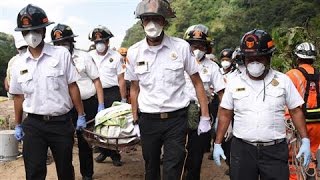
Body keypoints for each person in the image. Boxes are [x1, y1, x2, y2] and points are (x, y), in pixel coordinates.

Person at [125, 1, 211, 179]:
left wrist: (205, 116)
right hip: (148, 120)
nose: (151, 24)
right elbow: (134, 88)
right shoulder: (134, 52)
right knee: (151, 168)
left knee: (174, 167)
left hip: (176, 119)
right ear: (141, 22)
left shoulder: (180, 47)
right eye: (147, 19)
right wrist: (135, 120)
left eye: (156, 19)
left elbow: (197, 82)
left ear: (164, 21)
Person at [213, 29, 312, 180]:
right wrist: (218, 143)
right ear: (244, 59)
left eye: (259, 58)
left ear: (269, 57)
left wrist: (305, 140)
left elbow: (296, 110)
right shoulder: (234, 82)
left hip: (275, 150)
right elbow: (226, 113)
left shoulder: (283, 81)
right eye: (250, 58)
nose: (254, 63)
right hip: (242, 150)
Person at [10, 4, 86, 180]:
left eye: (35, 30)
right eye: (26, 32)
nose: (31, 35)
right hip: (33, 125)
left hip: (61, 123)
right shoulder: (18, 64)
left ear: (44, 30)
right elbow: (18, 96)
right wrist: (18, 124)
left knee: (65, 169)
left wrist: (81, 114)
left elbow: (72, 86)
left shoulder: (61, 55)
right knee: (34, 171)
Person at [51, 23, 105, 180]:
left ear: (71, 42)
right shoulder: (53, 60)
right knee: (65, 144)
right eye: (58, 44)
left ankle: (87, 175)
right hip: (65, 107)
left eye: (64, 42)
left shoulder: (83, 57)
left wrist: (100, 105)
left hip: (87, 104)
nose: (62, 46)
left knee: (85, 143)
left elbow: (96, 80)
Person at [182, 24, 225, 180]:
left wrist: (220, 119)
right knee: (176, 152)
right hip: (179, 111)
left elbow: (222, 94)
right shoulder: (178, 63)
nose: (197, 49)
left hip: (202, 113)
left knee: (196, 153)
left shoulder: (212, 67)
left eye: (201, 45)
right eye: (193, 45)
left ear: (207, 47)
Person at [88, 25, 125, 166]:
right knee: (99, 125)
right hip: (95, 94)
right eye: (96, 42)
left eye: (102, 41)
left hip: (112, 93)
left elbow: (121, 79)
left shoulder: (116, 57)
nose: (99, 44)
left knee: (113, 125)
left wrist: (123, 99)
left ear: (108, 42)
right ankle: (103, 151)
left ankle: (115, 155)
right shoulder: (89, 56)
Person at [286, 42, 320, 179]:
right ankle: (311, 174)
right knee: (312, 153)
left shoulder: (291, 75)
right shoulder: (318, 75)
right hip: (317, 124)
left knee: (293, 157)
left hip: (296, 125)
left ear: (297, 57)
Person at [4, 33, 28, 99]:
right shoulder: (32, 59)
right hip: (21, 95)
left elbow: (7, 79)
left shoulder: (13, 60)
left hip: (13, 94)